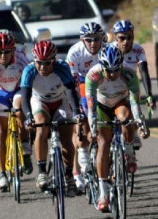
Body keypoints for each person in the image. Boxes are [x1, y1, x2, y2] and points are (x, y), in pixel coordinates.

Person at [87, 45, 149, 212]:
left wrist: (140, 122)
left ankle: (128, 153)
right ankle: (103, 193)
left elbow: (135, 103)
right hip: (101, 106)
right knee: (103, 143)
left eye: (116, 70)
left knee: (127, 119)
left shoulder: (129, 74)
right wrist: (92, 125)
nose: (113, 74)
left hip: (120, 103)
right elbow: (91, 105)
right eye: (109, 71)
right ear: (102, 67)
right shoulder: (93, 75)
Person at [21, 40, 84, 197]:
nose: (42, 67)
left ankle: (69, 175)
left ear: (54, 60)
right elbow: (24, 97)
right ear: (34, 60)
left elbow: (70, 92)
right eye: (39, 63)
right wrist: (29, 116)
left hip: (60, 100)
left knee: (67, 137)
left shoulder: (62, 68)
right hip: (39, 101)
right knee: (41, 125)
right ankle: (42, 172)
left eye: (47, 63)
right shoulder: (29, 71)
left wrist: (76, 112)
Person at [0, 30, 32, 191]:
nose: (3, 56)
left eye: (6, 52)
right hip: (0, 94)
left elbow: (28, 85)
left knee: (19, 109)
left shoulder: (21, 59)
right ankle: (3, 174)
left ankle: (25, 141)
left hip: (18, 90)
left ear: (13, 50)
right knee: (0, 132)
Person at [66, 22, 105, 193]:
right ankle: (79, 167)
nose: (93, 43)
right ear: (82, 40)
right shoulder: (74, 53)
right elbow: (72, 85)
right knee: (81, 125)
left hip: (102, 84)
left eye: (96, 39)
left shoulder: (107, 48)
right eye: (88, 40)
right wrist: (77, 109)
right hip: (81, 85)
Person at [112, 20, 156, 148]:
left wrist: (149, 94)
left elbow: (144, 72)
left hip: (130, 84)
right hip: (111, 86)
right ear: (115, 37)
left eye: (129, 37)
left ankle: (135, 133)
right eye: (122, 38)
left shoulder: (138, 50)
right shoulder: (109, 49)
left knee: (133, 107)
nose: (126, 41)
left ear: (133, 36)